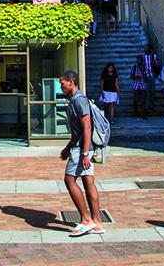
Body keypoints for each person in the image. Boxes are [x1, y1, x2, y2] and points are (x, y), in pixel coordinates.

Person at [59, 69, 104, 237]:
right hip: (79, 147)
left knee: (69, 180)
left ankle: (86, 219)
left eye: (62, 83)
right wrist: (67, 148)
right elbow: (78, 131)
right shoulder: (76, 100)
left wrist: (85, 153)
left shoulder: (79, 101)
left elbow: (87, 127)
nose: (61, 86)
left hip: (82, 149)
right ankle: (97, 222)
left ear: (71, 82)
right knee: (88, 181)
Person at [143, 45, 161, 117]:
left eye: (147, 48)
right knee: (147, 91)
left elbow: (158, 65)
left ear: (150, 49)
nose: (145, 49)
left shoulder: (154, 56)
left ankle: (151, 105)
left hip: (152, 75)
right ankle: (146, 107)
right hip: (146, 75)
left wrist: (154, 63)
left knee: (152, 91)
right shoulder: (143, 56)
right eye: (145, 48)